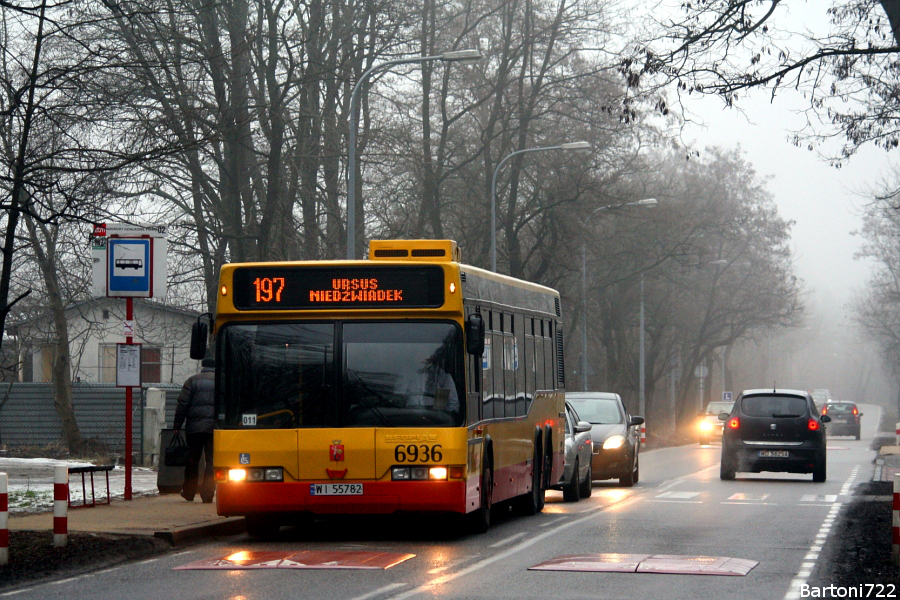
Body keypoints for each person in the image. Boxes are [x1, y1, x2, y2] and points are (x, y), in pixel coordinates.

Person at [173, 356, 215, 503]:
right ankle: (208, 493)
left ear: (202, 366)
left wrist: (177, 424)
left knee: (192, 460)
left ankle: (189, 492)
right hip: (214, 429)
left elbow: (182, 404)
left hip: (194, 428)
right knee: (211, 462)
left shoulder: (192, 381)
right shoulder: (222, 381)